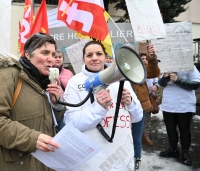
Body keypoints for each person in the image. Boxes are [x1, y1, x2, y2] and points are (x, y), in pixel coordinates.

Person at [0, 33, 65, 171]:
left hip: (44, 164)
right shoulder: (8, 75)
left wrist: (56, 103)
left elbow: (47, 121)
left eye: (53, 54)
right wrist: (32, 139)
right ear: (28, 55)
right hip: (15, 165)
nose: (51, 59)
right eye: (45, 52)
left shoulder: (45, 81)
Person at [63, 41, 143, 170]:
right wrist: (98, 108)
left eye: (99, 54)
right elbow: (71, 123)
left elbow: (138, 117)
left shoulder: (122, 80)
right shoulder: (75, 82)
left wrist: (131, 103)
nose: (94, 58)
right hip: (93, 162)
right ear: (83, 59)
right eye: (89, 55)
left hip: (122, 156)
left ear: (106, 57)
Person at [158, 66, 200, 166]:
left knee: (184, 129)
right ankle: (173, 150)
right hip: (169, 104)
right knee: (170, 128)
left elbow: (196, 84)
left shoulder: (190, 66)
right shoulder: (167, 66)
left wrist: (178, 80)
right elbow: (161, 84)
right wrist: (165, 77)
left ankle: (185, 152)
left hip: (184, 104)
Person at [130, 47, 161, 170]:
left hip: (140, 108)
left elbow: (154, 73)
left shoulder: (140, 70)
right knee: (124, 137)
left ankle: (136, 161)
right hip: (123, 109)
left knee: (137, 137)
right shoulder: (121, 70)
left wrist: (152, 59)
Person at [140, 53, 159, 146]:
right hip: (138, 99)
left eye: (145, 58)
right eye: (142, 58)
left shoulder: (152, 70)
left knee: (147, 119)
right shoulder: (136, 70)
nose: (144, 60)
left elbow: (157, 81)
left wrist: (155, 86)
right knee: (137, 119)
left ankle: (145, 135)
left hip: (149, 98)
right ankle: (136, 136)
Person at [53, 49, 73, 131]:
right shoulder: (46, 72)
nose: (58, 59)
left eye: (60, 57)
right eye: (55, 57)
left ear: (63, 59)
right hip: (51, 106)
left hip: (64, 107)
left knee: (62, 130)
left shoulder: (69, 73)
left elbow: (72, 89)